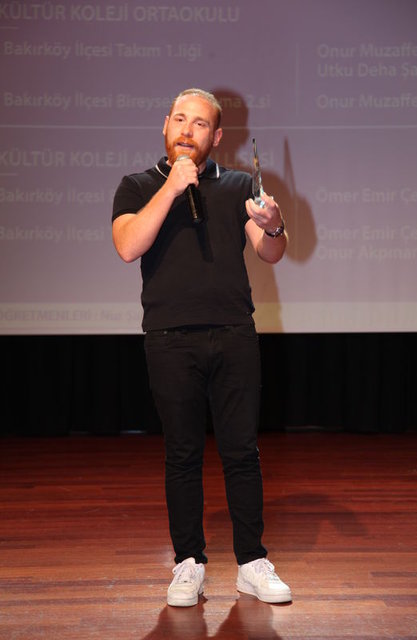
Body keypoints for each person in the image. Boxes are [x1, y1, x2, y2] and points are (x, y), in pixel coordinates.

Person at [112, 88, 291, 607]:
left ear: (216, 136)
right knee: (183, 454)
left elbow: (271, 252)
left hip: (234, 334)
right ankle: (188, 563)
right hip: (169, 339)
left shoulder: (237, 185)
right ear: (165, 125)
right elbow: (128, 246)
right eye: (180, 120)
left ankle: (251, 563)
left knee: (242, 452)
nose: (187, 131)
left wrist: (274, 225)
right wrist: (171, 188)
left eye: (199, 124)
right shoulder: (137, 185)